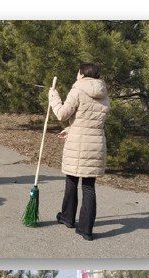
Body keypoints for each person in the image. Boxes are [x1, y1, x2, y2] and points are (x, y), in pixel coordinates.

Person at [49, 62, 110, 241]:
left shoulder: (77, 90)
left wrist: (53, 97)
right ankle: (86, 230)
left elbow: (61, 114)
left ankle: (68, 217)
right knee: (89, 186)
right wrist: (70, 129)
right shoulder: (104, 94)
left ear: (82, 74)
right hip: (96, 144)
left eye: (77, 72)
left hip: (78, 145)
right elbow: (91, 120)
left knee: (71, 180)